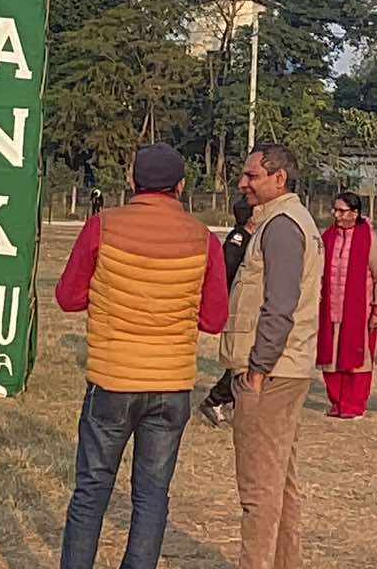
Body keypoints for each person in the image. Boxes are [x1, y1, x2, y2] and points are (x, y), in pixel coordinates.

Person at [55, 144, 230, 569]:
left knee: (92, 490)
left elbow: (68, 298)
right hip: (171, 386)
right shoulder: (203, 239)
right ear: (181, 186)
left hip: (112, 380)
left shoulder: (102, 227)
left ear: (132, 181)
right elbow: (214, 319)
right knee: (152, 495)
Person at [223, 143, 322, 569]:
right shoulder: (288, 221)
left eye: (252, 176)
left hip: (272, 373)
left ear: (279, 178)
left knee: (259, 489)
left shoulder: (281, 227)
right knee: (280, 483)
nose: (243, 183)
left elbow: (279, 306)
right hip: (285, 368)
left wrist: (257, 372)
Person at [318, 192, 377, 419]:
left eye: (342, 210)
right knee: (331, 359)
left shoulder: (370, 239)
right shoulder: (328, 237)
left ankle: (354, 405)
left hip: (359, 313)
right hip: (331, 311)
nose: (336, 214)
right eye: (335, 210)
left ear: (355, 213)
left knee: (357, 360)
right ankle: (337, 402)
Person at [199, 196, 256, 427]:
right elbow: (226, 272)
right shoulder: (238, 238)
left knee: (248, 359)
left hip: (250, 306)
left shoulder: (254, 237)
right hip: (238, 306)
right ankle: (217, 399)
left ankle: (229, 401)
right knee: (242, 362)